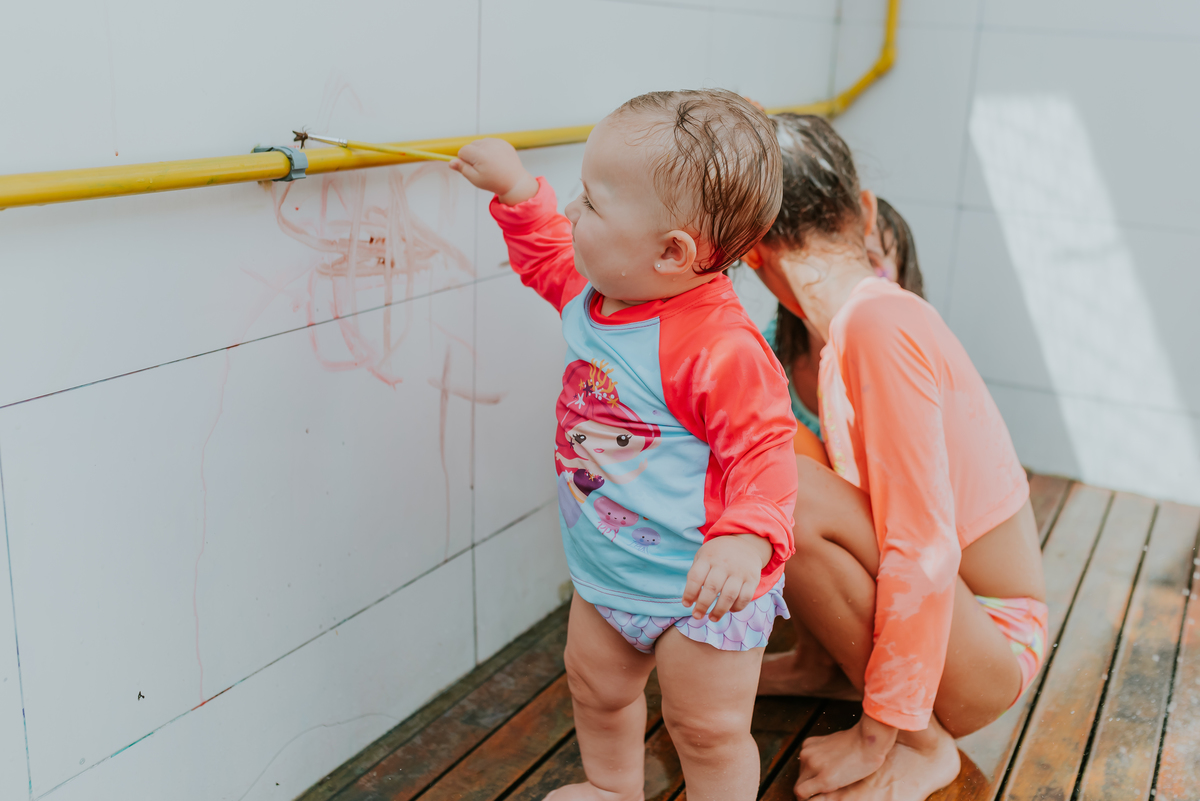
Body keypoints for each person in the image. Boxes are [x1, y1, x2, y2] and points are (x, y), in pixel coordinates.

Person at [449, 90, 799, 801]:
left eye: (595, 203)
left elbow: (764, 450)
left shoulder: (718, 347)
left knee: (705, 728)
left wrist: (748, 539)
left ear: (671, 252)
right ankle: (614, 789)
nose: (574, 211)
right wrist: (518, 191)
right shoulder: (601, 291)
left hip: (702, 590)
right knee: (598, 690)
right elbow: (550, 253)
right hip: (608, 572)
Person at [745, 114, 1048, 801]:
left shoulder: (877, 324)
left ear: (753, 254)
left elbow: (925, 546)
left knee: (786, 484)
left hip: (992, 644)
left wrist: (878, 735)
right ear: (863, 208)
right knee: (774, 459)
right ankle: (822, 663)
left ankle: (922, 744)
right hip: (961, 627)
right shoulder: (856, 325)